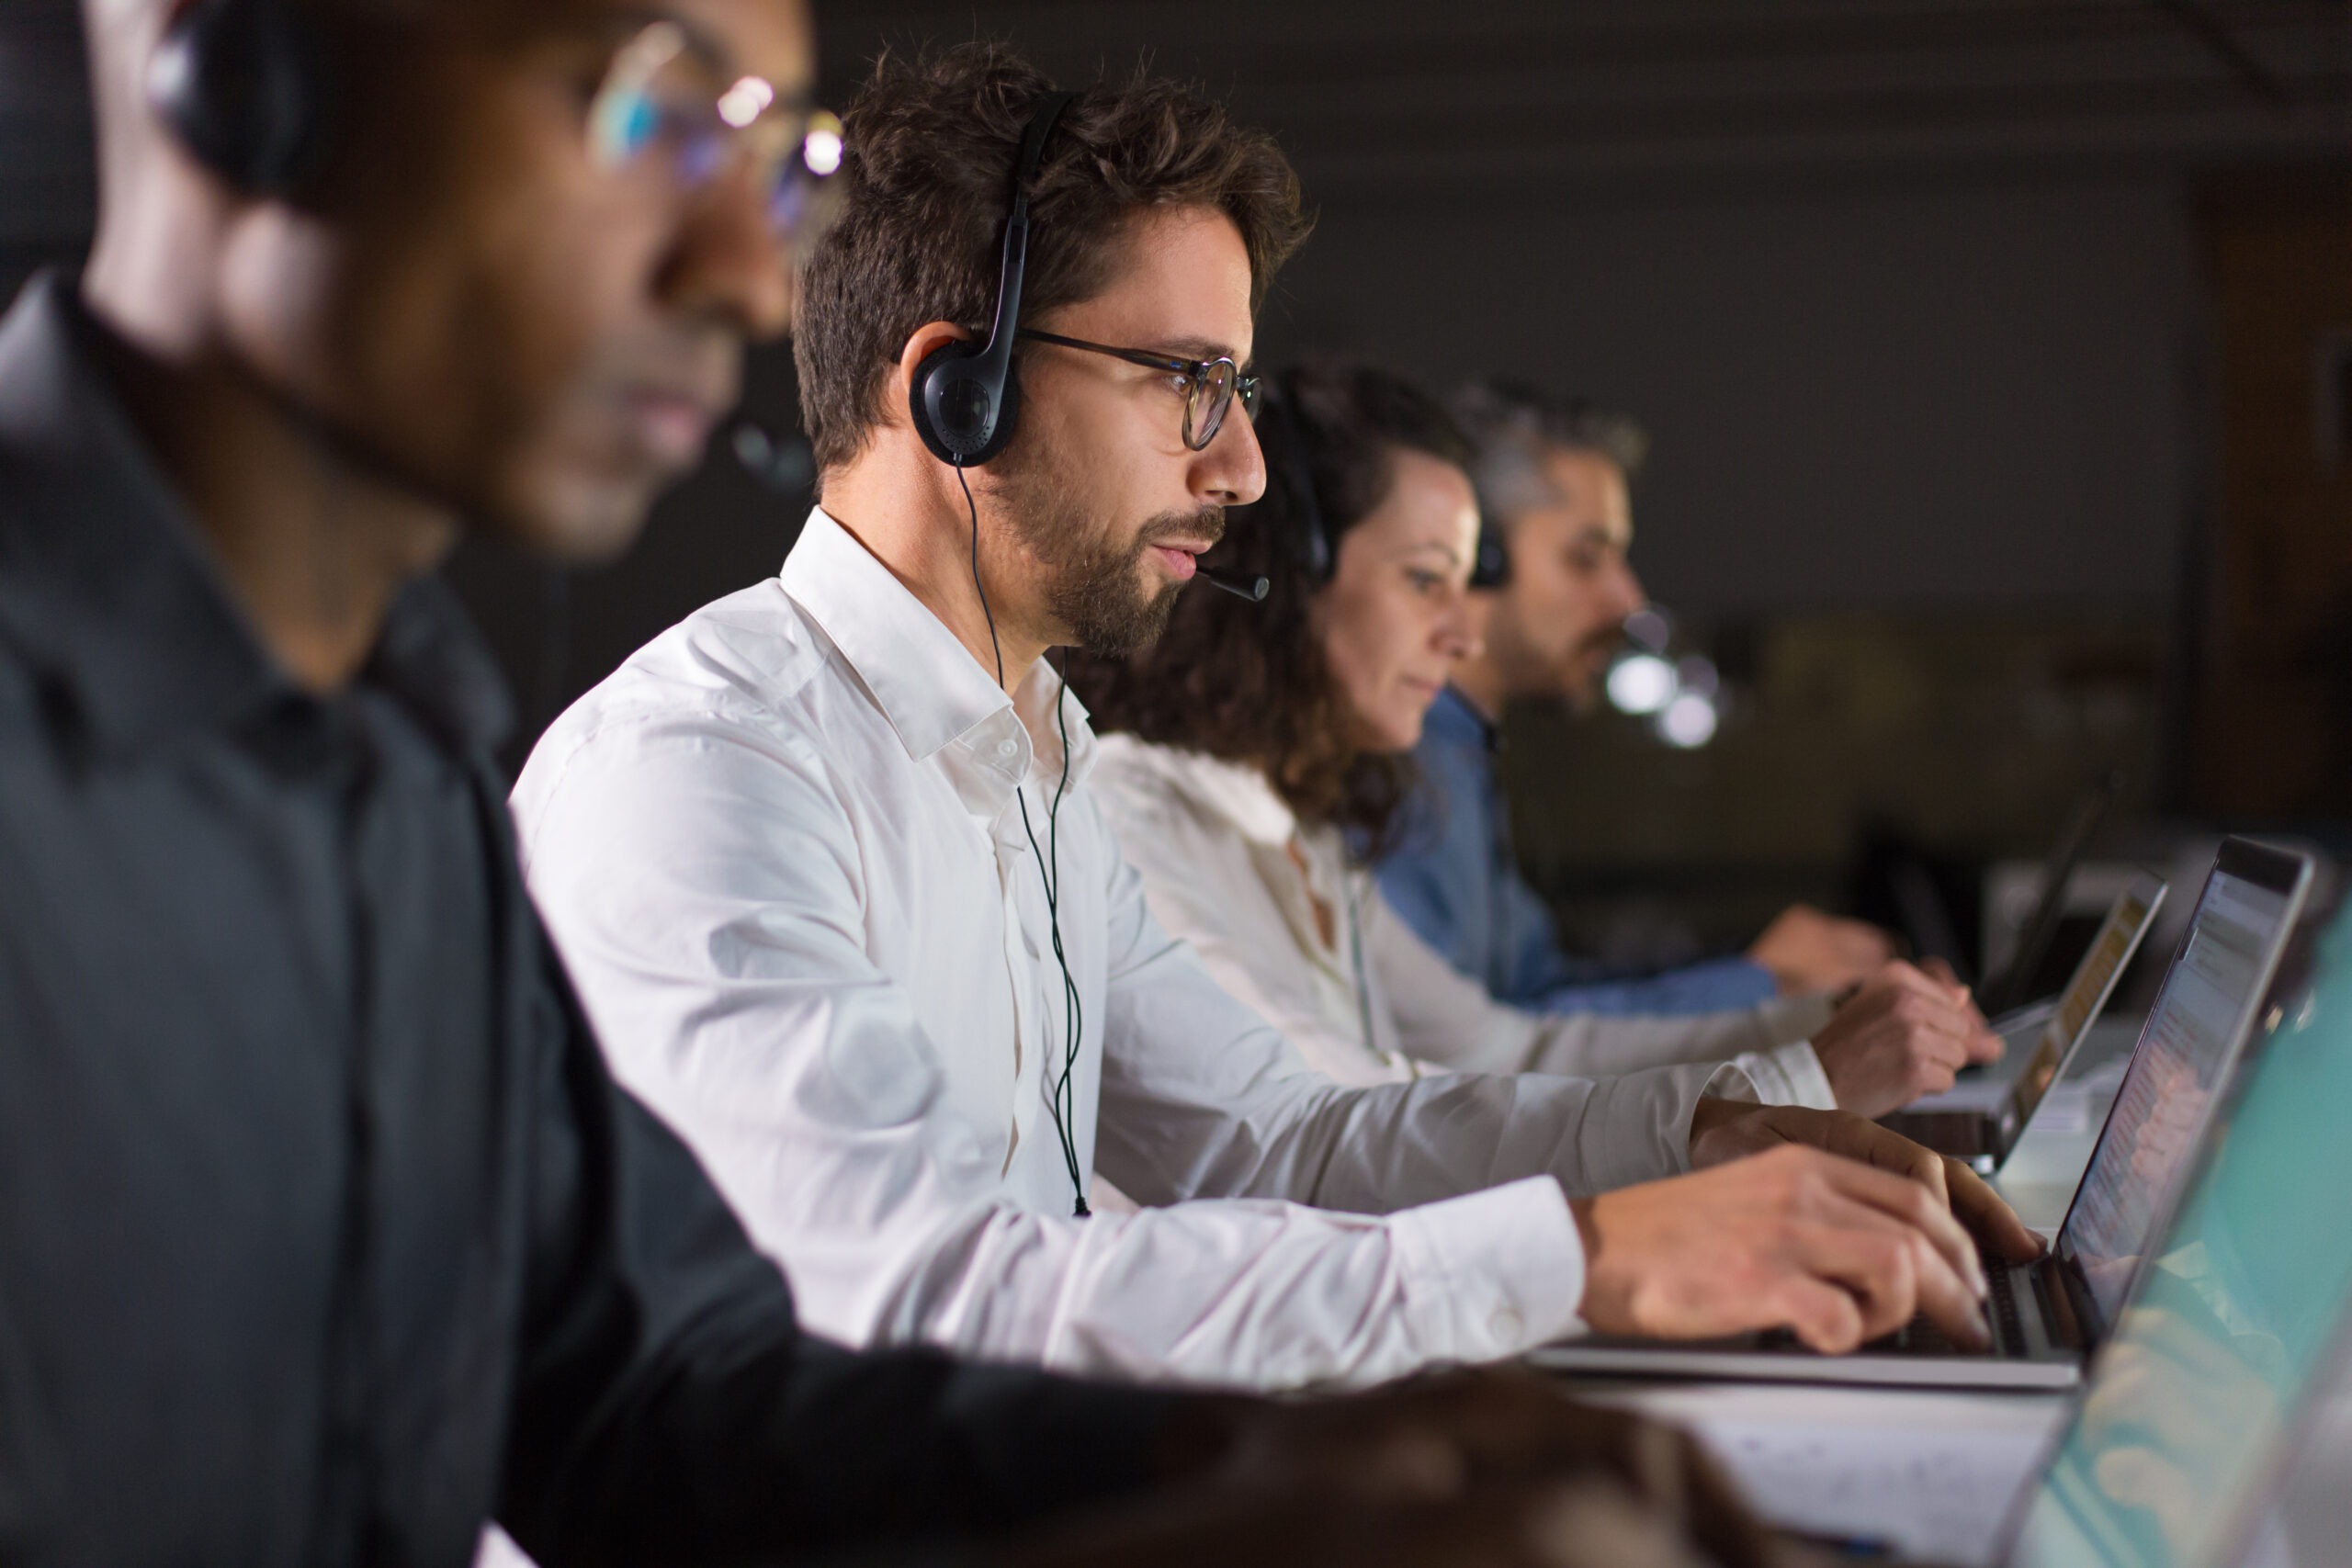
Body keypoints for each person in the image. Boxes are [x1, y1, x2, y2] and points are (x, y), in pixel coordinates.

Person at [0, 1, 1792, 1563]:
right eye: (641, 100)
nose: (733, 262)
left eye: (763, 154)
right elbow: (876, 1307)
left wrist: (1283, 1466)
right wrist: (1544, 1274)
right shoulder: (682, 766)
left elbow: (660, 1401)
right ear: (237, 70)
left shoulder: (389, 781)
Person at [513, 40, 2040, 1401]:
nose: (1241, 469)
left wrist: (1715, 1141)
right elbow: (918, 1301)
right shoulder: (705, 773)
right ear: (955, 394)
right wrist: (1582, 1258)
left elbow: (1284, 1140)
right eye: (1188, 383)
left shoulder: (1040, 758)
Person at [1070, 359, 2000, 1120]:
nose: (1463, 633)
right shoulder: (1134, 818)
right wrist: (1794, 1079)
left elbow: (1510, 1050)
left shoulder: (1298, 830)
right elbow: (1327, 1128)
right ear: (1289, 578)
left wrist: (1812, 1026)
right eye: (1426, 580)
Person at [1374, 378, 1898, 1015]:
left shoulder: (1461, 753)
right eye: (1586, 558)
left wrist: (1757, 966)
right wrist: (1757, 984)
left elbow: (1535, 989)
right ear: (1476, 554)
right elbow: (1467, 1047)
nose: (1628, 599)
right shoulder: (1396, 757)